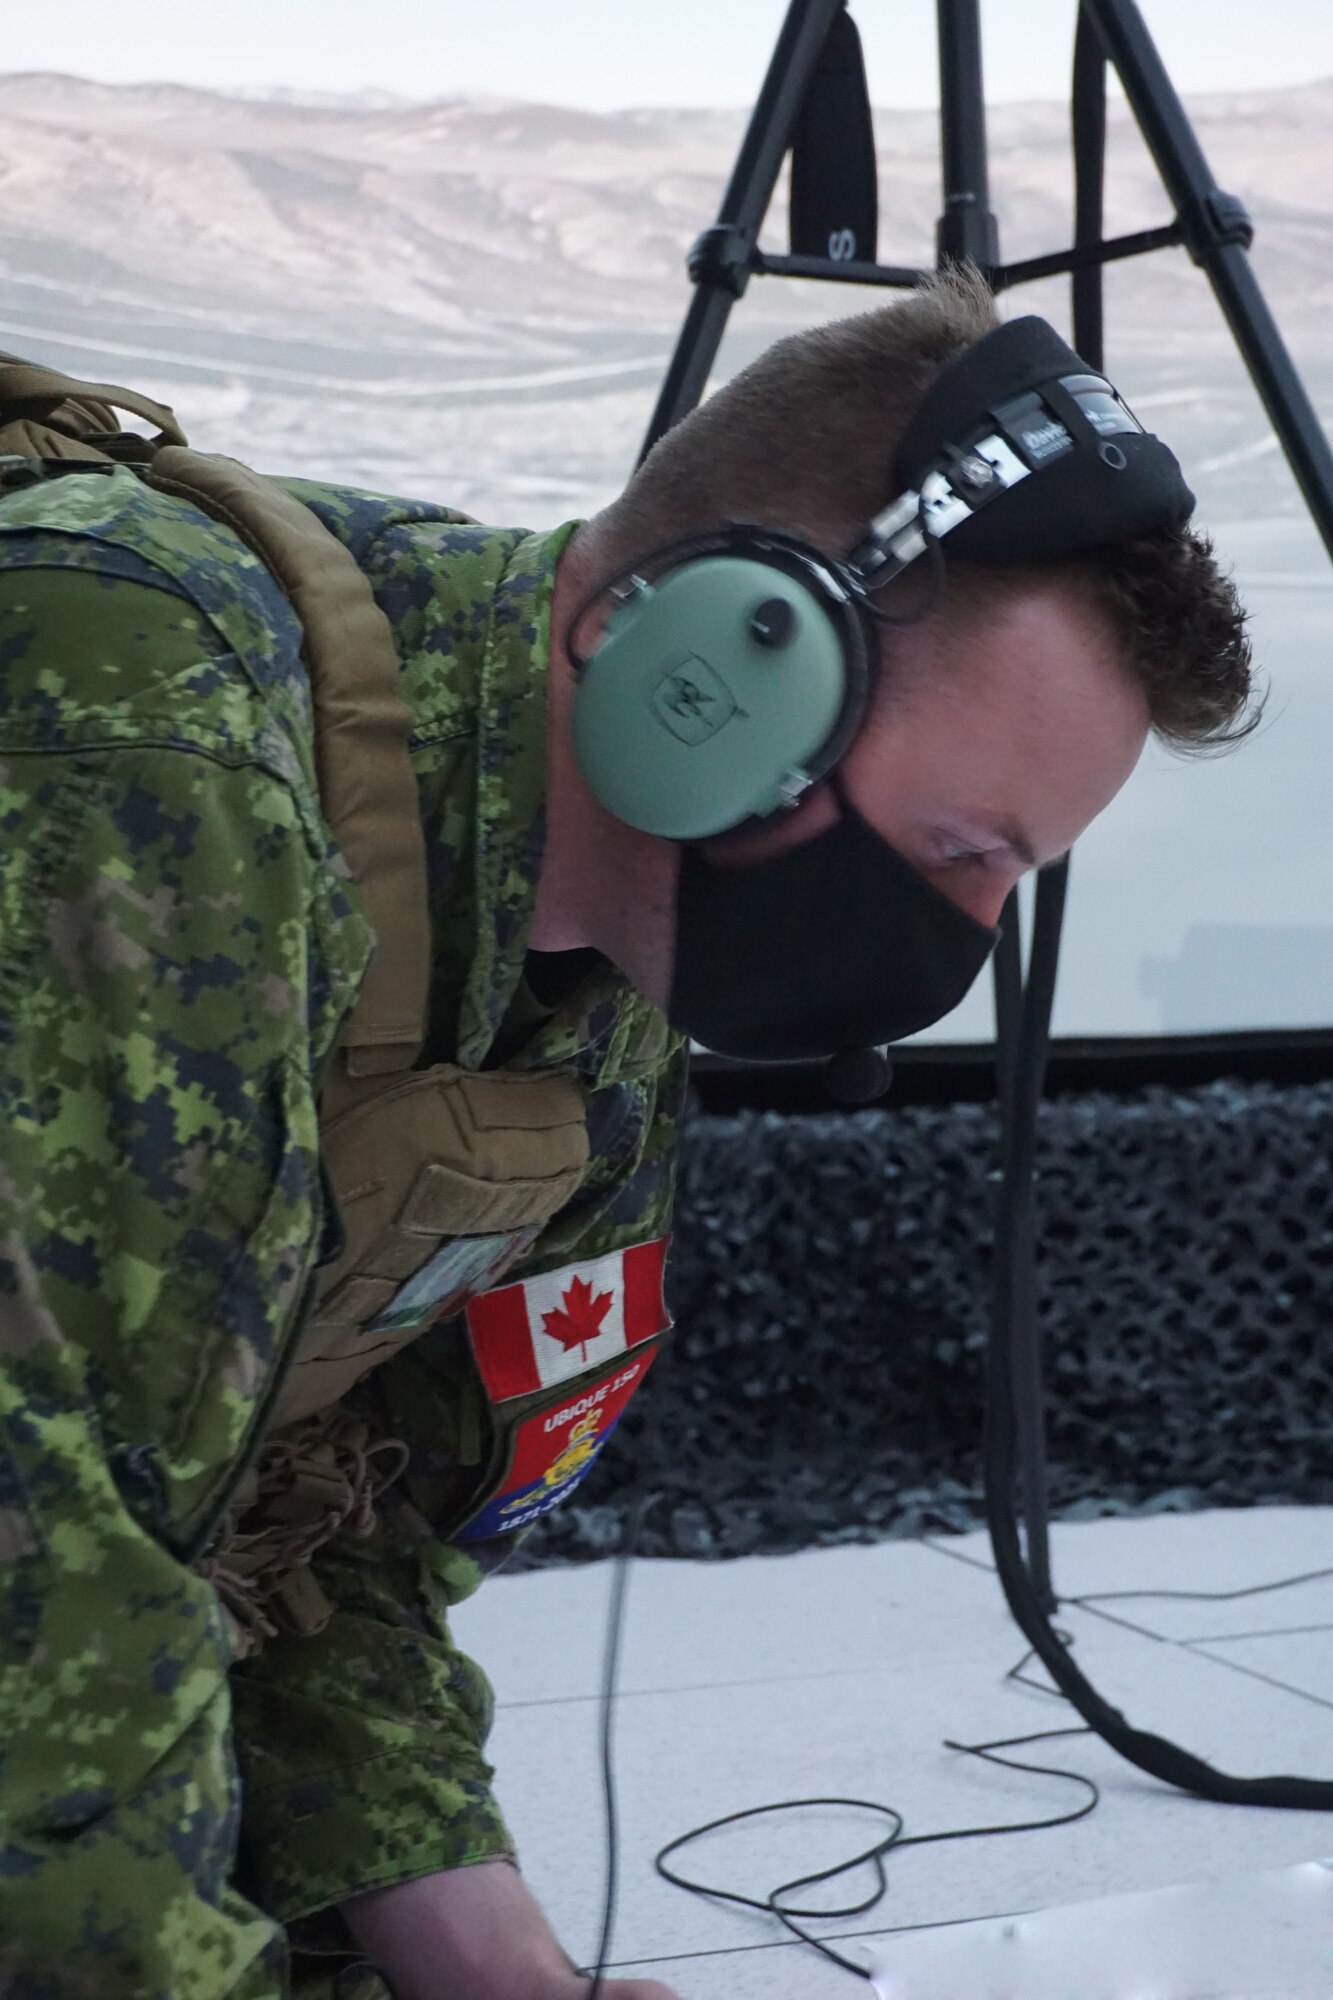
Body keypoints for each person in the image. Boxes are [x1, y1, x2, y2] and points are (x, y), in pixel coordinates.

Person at [0, 267, 1255, 2000]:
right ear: (707, 666)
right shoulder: (136, 719)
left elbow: (323, 1529)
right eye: (963, 847)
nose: (956, 940)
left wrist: (502, 1975)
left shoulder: (591, 989)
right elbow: (32, 1528)